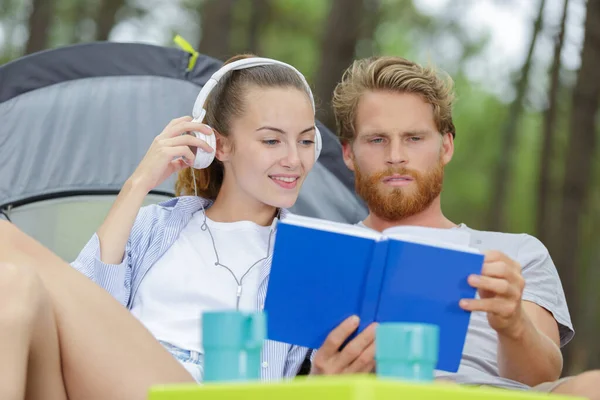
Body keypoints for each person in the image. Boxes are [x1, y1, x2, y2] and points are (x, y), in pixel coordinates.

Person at [0, 54, 319, 399]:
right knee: (14, 285)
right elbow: (83, 317)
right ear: (219, 145)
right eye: (272, 140)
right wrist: (139, 182)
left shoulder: (311, 255)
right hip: (109, 384)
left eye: (304, 141)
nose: (294, 159)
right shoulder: (159, 225)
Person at [309, 56, 599, 398]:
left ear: (445, 146)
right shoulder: (320, 253)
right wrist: (319, 382)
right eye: (377, 140)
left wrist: (513, 323)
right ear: (347, 154)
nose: (396, 156)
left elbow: (542, 377)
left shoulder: (517, 252)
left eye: (414, 138)